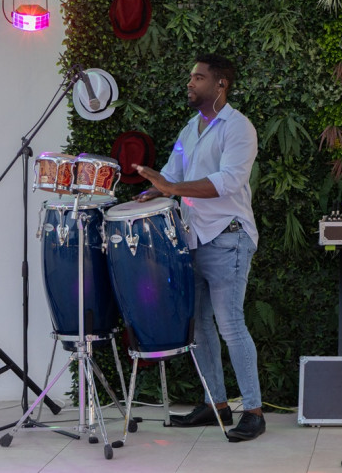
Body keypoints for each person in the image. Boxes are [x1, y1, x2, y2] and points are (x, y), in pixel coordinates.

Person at [133, 54, 265, 442]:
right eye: (190, 77)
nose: (190, 83)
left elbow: (228, 181)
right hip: (192, 239)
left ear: (220, 84)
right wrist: (152, 191)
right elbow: (172, 175)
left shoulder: (238, 128)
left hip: (228, 237)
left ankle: (254, 412)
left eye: (198, 77)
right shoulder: (190, 129)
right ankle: (215, 404)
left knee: (230, 325)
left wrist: (172, 188)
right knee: (200, 328)